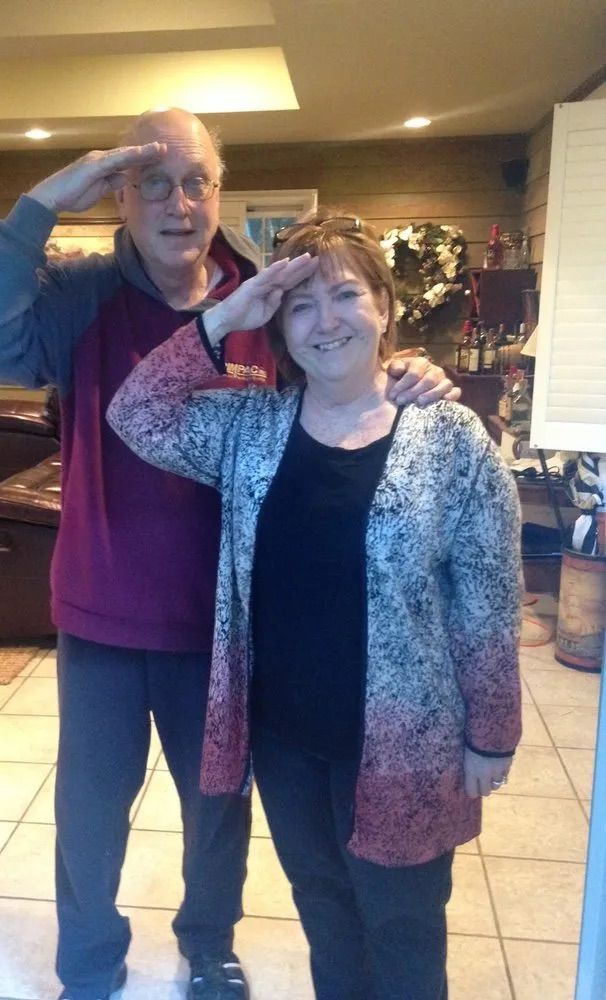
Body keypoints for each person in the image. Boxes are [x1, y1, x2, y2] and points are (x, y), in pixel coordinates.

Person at [0, 109, 459, 1000]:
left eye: (196, 181)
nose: (177, 204)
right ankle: (89, 964)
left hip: (228, 622)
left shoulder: (265, 294)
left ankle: (208, 945)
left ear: (220, 191)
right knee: (91, 811)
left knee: (216, 807)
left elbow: (341, 373)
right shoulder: (79, 295)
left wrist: (412, 378)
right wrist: (39, 205)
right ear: (120, 196)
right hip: (102, 610)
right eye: (151, 182)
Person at [107, 210, 523, 1000]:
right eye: (301, 305)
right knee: (324, 912)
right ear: (280, 325)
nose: (325, 322)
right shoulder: (247, 425)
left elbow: (489, 602)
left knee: (402, 929)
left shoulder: (450, 437)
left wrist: (492, 736)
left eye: (344, 296)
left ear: (385, 307)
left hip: (410, 745)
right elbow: (137, 411)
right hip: (285, 738)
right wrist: (229, 315)